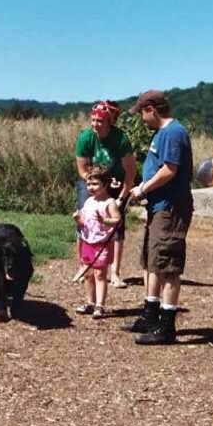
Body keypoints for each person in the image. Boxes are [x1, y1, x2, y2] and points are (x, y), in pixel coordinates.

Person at [127, 89, 193, 345]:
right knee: (153, 261)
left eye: (142, 113)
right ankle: (150, 315)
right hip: (158, 206)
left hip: (170, 208)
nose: (142, 119)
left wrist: (143, 188)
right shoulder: (162, 133)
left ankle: (166, 328)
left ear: (151, 109)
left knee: (167, 265)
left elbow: (169, 170)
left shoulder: (173, 133)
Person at [74, 100, 136, 287]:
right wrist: (95, 184)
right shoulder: (86, 138)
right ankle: (84, 265)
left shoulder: (121, 139)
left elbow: (130, 172)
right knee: (84, 222)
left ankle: (115, 272)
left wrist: (122, 197)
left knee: (117, 226)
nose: (95, 124)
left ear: (110, 122)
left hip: (116, 181)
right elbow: (82, 169)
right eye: (93, 120)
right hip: (91, 180)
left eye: (100, 121)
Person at [72, 166, 121, 318]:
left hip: (102, 242)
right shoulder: (88, 202)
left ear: (105, 184)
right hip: (88, 241)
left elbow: (117, 220)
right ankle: (90, 302)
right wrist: (78, 219)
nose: (91, 187)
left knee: (100, 274)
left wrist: (104, 220)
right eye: (88, 184)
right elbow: (85, 223)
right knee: (88, 273)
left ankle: (100, 305)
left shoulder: (110, 202)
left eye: (95, 184)